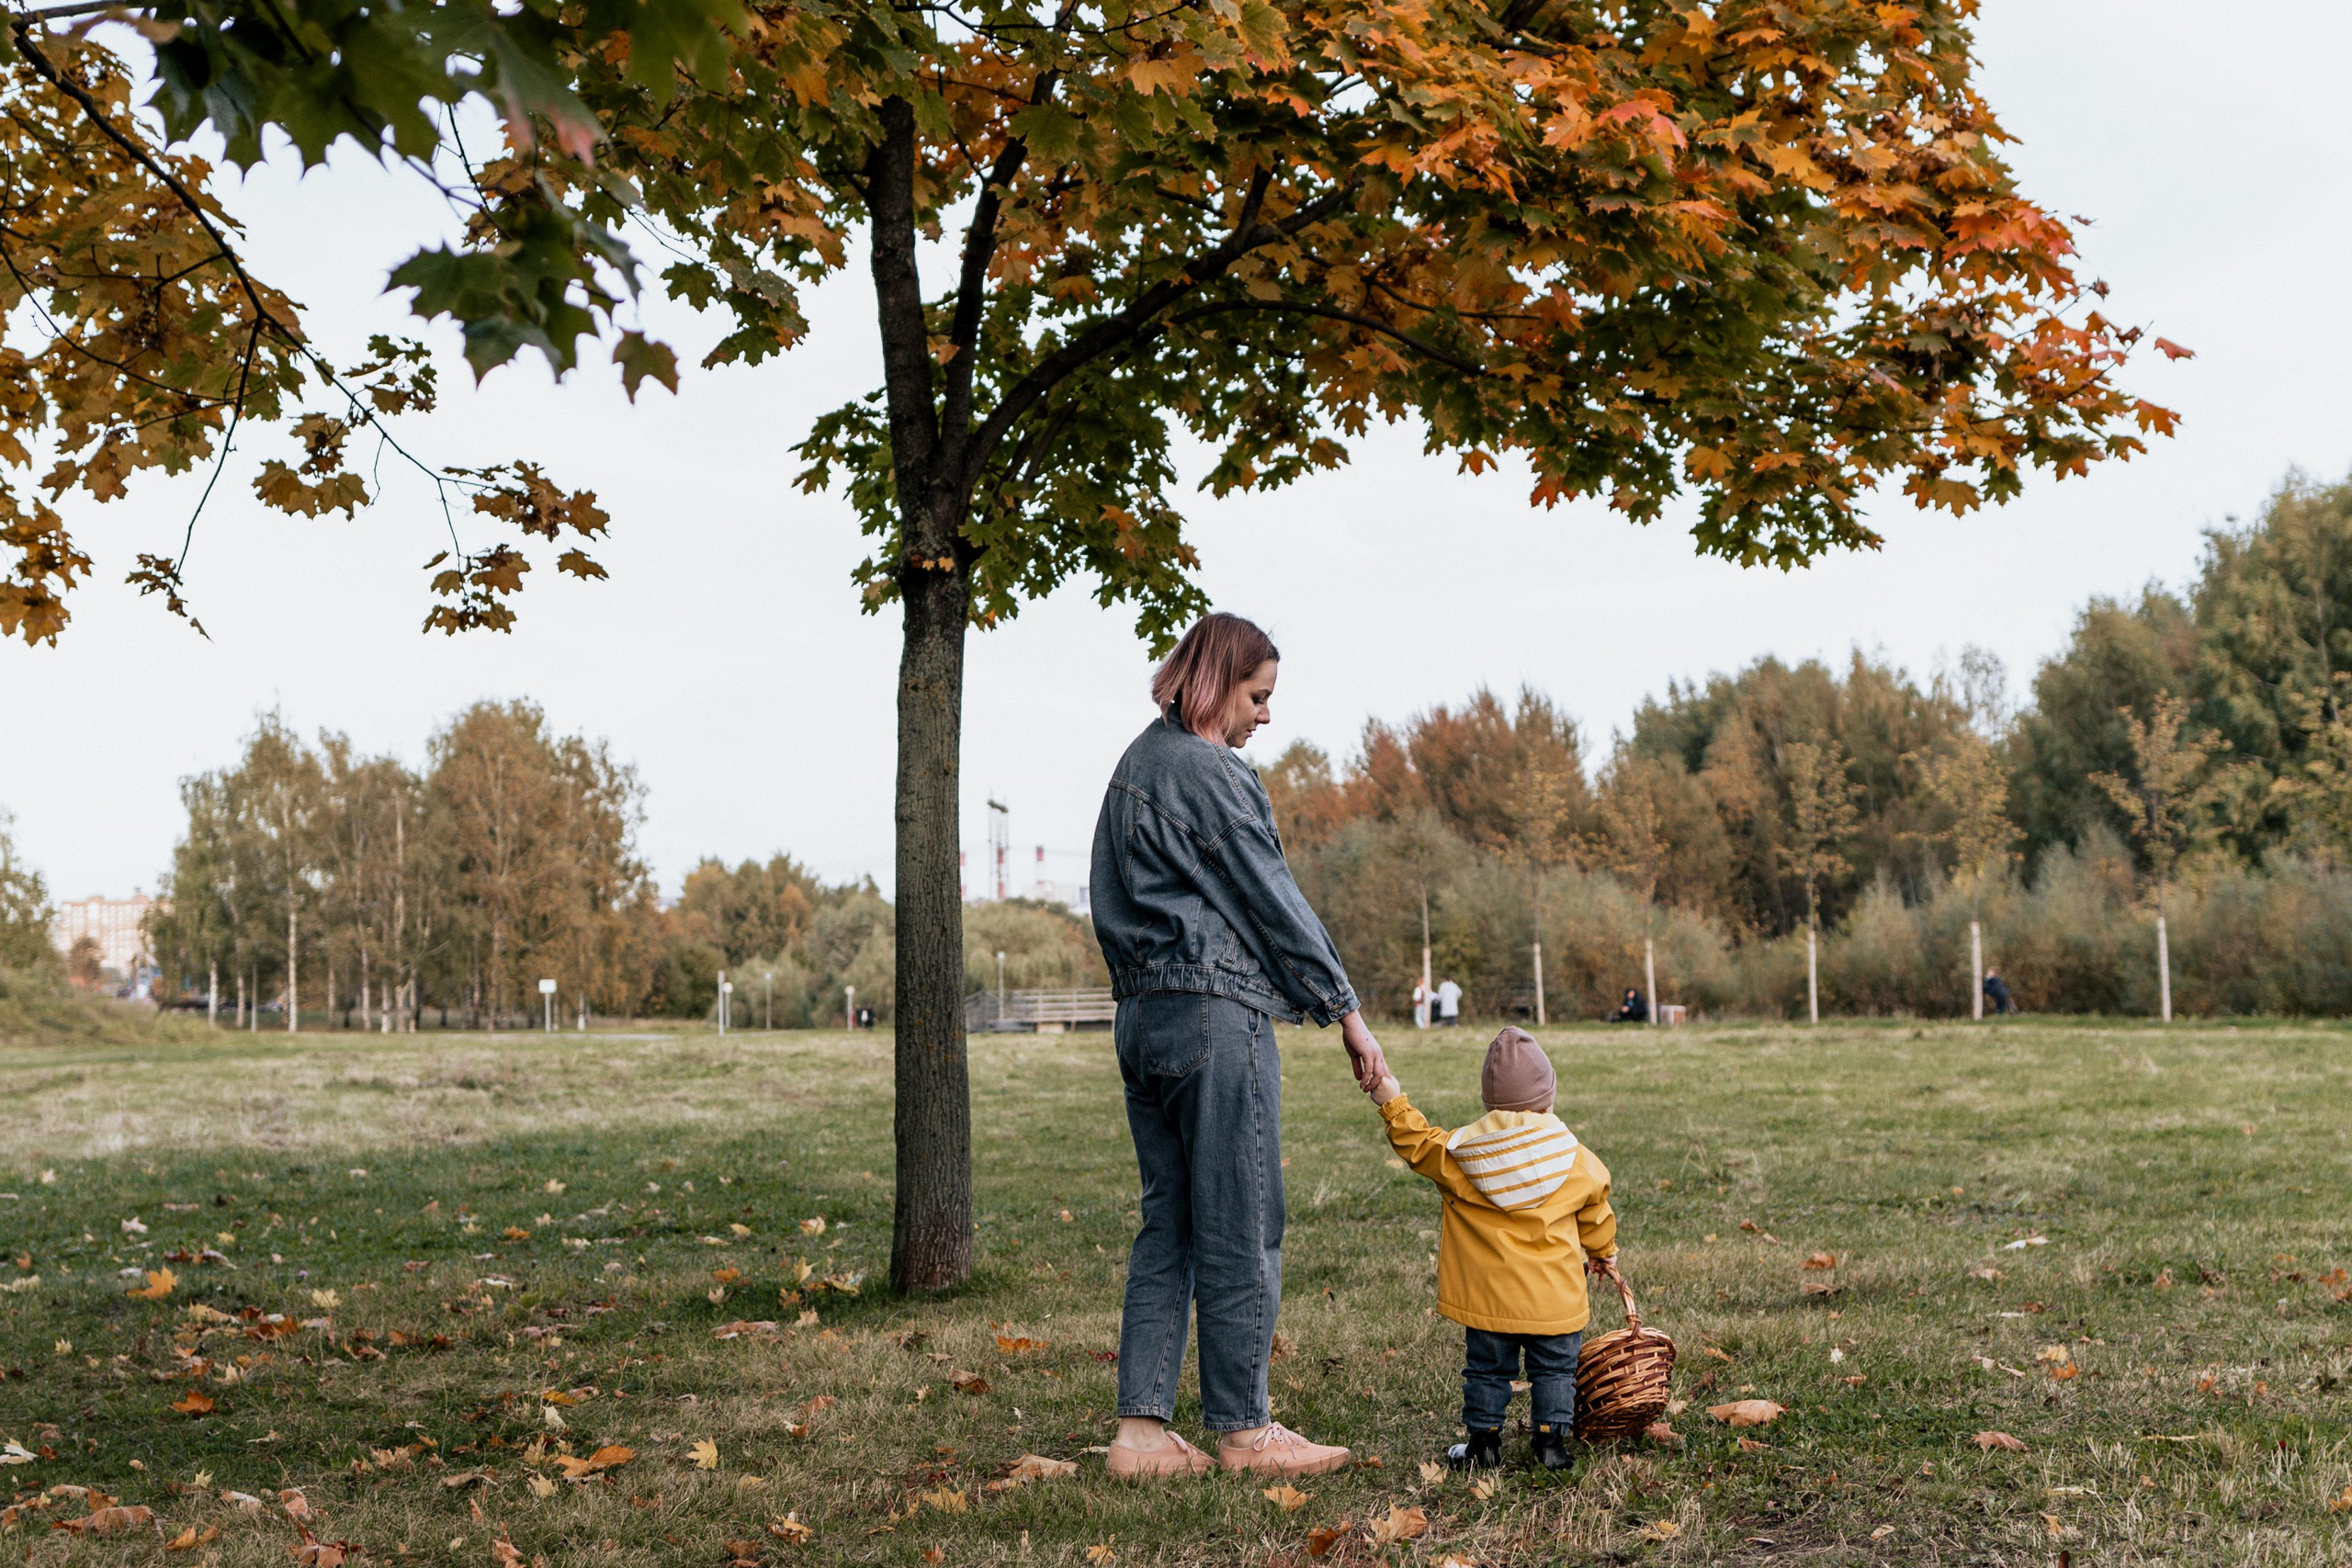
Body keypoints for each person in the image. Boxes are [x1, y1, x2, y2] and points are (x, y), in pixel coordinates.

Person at [1091, 612, 1388, 1482]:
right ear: (1218, 680)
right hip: (1214, 1017)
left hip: (1141, 1023)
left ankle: (1141, 1435)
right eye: (1258, 696)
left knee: (1170, 1222)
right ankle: (1246, 1430)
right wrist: (1345, 1009)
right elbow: (1272, 898)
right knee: (1242, 1219)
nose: (1265, 716)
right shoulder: (1210, 771)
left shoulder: (1134, 765)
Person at [1370, 1028, 1619, 1472]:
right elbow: (1596, 1213)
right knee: (1555, 1372)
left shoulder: (1460, 1155)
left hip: (1488, 1301)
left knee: (1486, 1372)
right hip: (1554, 1300)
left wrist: (1391, 1099)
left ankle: (1483, 1445)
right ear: (1548, 1101)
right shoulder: (1578, 1160)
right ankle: (1550, 1445)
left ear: (1490, 1104)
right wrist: (1603, 1252)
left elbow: (1416, 1142)